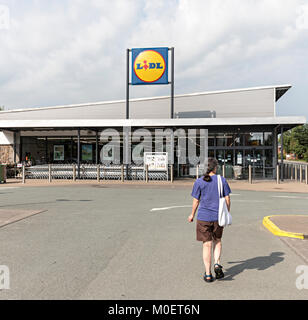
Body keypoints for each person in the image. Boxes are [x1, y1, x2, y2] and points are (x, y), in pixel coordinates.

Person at [188, 158, 231, 283]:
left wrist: (191, 214)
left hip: (203, 217)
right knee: (217, 240)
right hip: (218, 217)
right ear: (215, 168)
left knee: (206, 245)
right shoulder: (221, 180)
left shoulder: (199, 182)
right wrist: (226, 213)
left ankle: (208, 274)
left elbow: (196, 200)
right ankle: (217, 263)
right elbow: (227, 199)